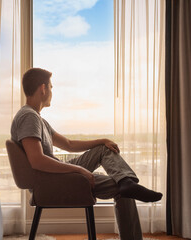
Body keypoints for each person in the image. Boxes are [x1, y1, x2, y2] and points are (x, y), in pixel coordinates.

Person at [11, 68, 162, 240]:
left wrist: (102, 140)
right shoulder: (28, 117)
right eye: (51, 88)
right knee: (122, 188)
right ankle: (126, 185)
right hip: (51, 181)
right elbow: (37, 161)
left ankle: (126, 181)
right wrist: (79, 170)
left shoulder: (37, 119)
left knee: (105, 150)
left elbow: (68, 144)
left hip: (57, 176)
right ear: (43, 88)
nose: (52, 92)